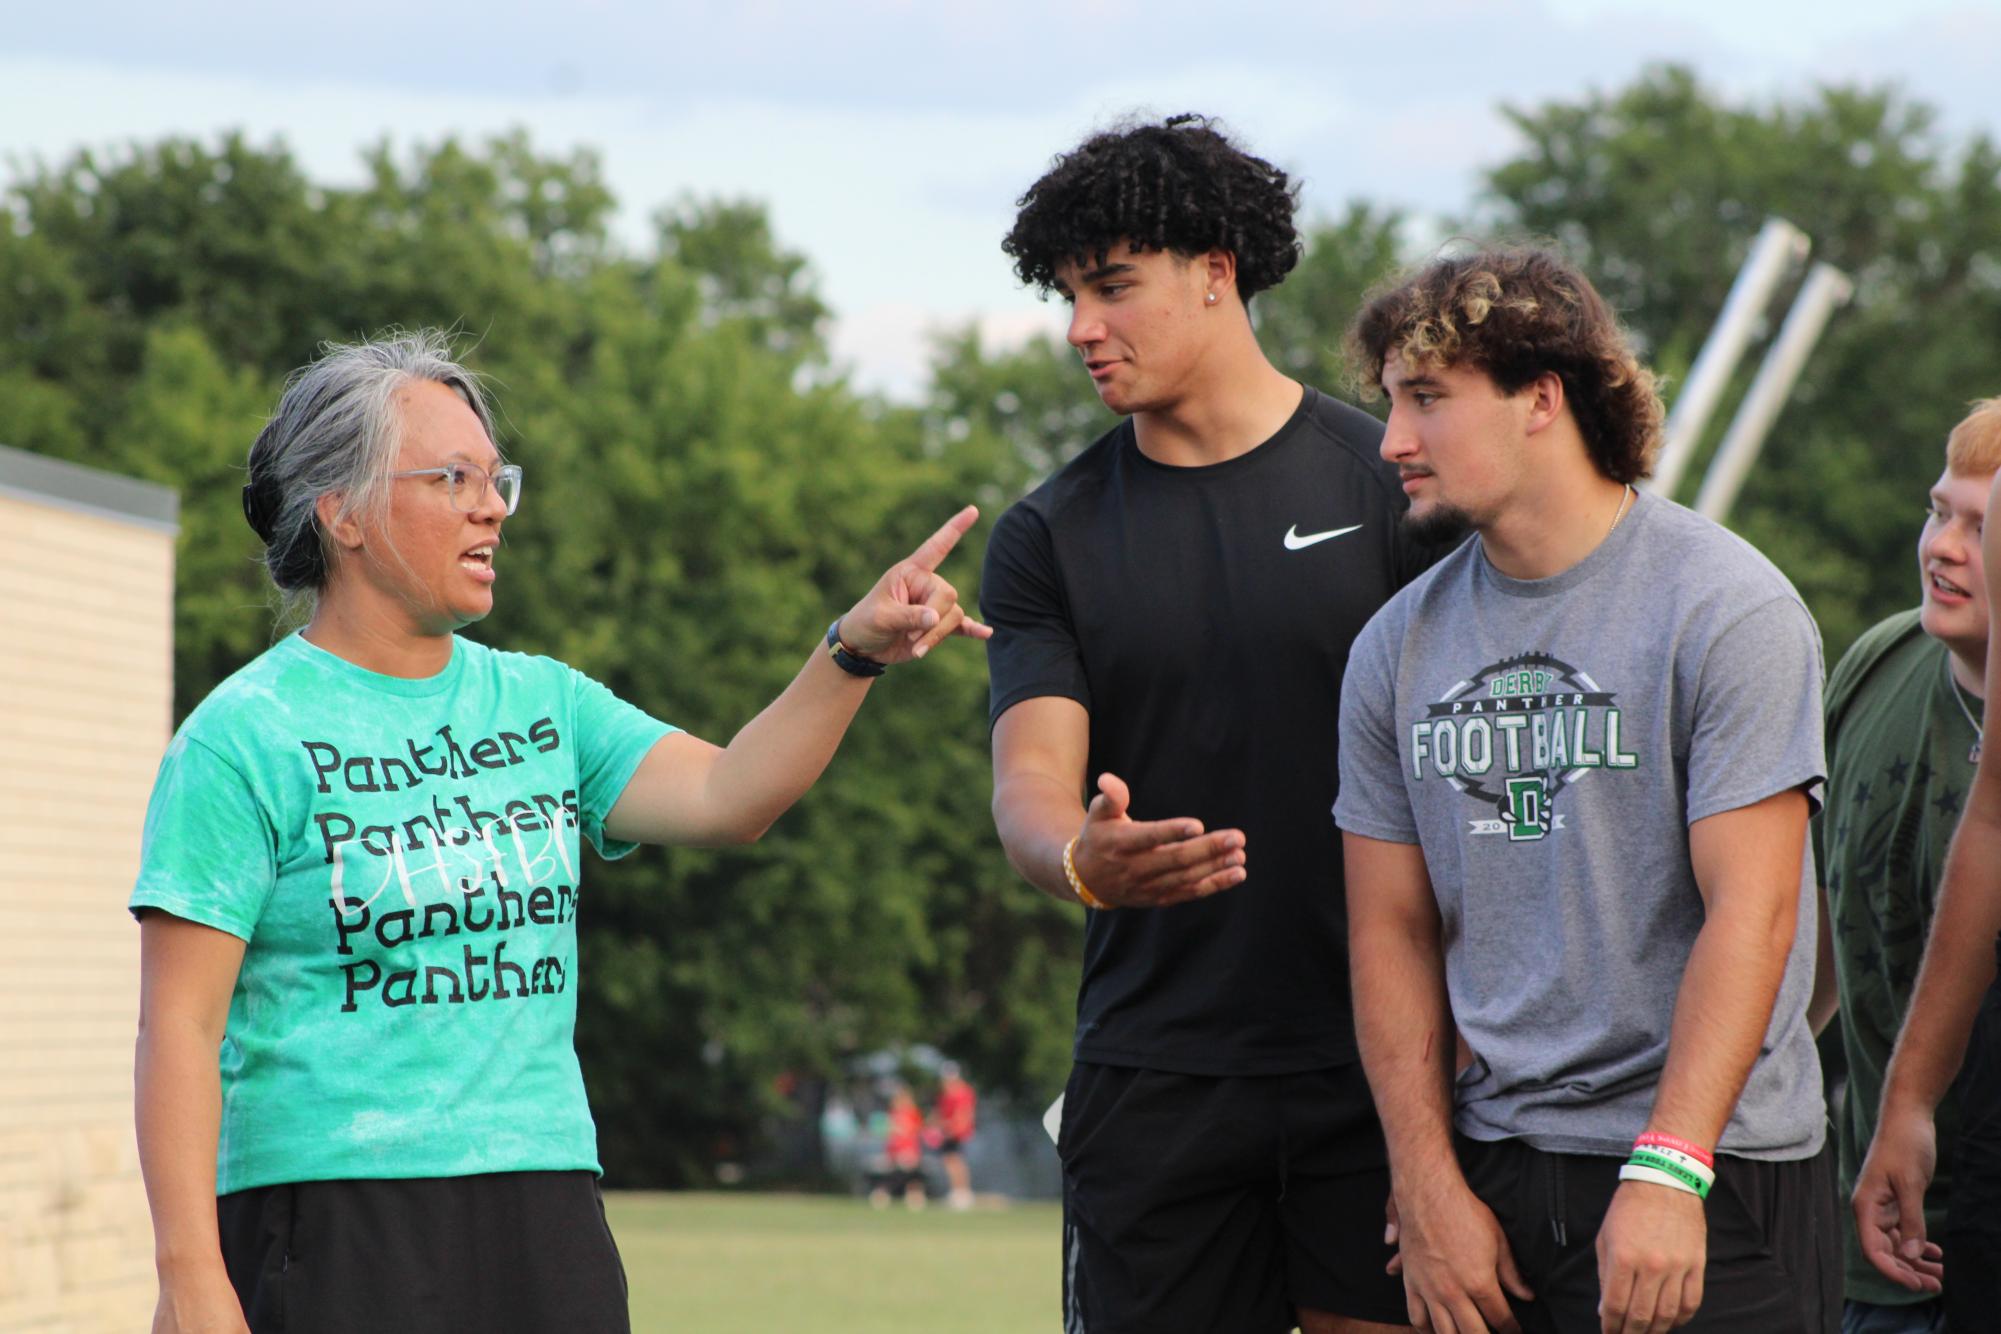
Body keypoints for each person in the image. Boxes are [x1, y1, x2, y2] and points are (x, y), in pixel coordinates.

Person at [130, 332, 988, 1334]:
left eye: (498, 480)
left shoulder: (540, 701)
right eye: (453, 477)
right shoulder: (243, 736)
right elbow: (178, 1028)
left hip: (543, 1207)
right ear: (343, 511)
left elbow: (729, 792)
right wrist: (190, 1275)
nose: (492, 506)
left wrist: (851, 650)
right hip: (334, 1212)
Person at [983, 113, 1431, 1334]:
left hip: (1387, 1072)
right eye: (1069, 294)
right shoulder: (1049, 533)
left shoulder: (1393, 487)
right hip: (1157, 1076)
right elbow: (1031, 778)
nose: (1082, 326)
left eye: (1113, 287)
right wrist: (1079, 855)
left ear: (1217, 274)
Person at [1335, 245, 1838, 1333]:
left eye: (1426, 398)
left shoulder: (1726, 608)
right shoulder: (1394, 647)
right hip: (1495, 1181)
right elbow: (1389, 932)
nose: (1392, 441)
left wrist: (1670, 1169)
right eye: (1390, 403)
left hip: (1711, 1172)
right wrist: (1426, 1186)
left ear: (1541, 399)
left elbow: (1755, 914)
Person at [1809, 399, 2000, 1333]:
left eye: (1981, 525)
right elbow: (1815, 934)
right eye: (1939, 512)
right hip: (1875, 1237)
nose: (1945, 546)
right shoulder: (1877, 661)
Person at [934, 1061, 978, 1210]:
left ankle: (962, 1193)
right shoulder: (946, 1093)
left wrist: (953, 1127)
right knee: (950, 1161)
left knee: (956, 1161)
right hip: (949, 1131)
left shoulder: (962, 1092)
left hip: (958, 1132)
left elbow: (964, 1114)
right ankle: (957, 1191)